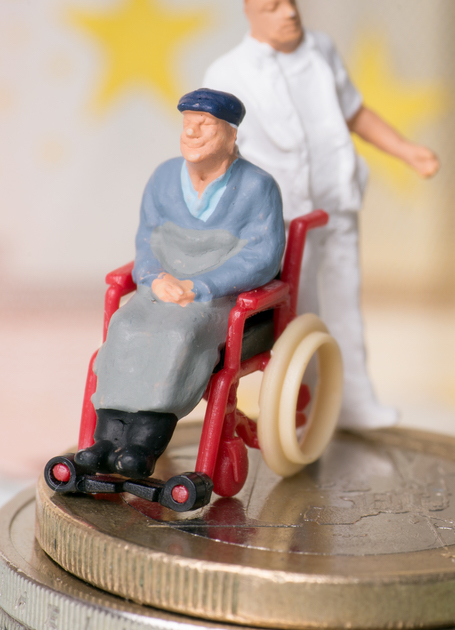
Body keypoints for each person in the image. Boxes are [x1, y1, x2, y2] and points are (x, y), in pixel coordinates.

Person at [203, 0, 439, 430]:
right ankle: (304, 402)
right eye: (273, 7)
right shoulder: (227, 72)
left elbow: (355, 112)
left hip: (336, 204)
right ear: (249, 11)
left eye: (291, 3)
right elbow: (215, 151)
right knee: (300, 313)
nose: (288, 14)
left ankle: (353, 399)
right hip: (282, 217)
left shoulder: (321, 51)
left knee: (345, 304)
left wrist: (406, 150)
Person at [77, 88, 286, 479]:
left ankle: (143, 444)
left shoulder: (259, 187)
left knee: (178, 333)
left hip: (217, 298)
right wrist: (154, 278)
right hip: (159, 289)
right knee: (126, 326)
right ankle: (105, 441)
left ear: (230, 135)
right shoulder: (163, 179)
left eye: (204, 125)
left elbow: (261, 256)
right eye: (188, 124)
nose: (191, 133)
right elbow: (146, 238)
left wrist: (201, 286)